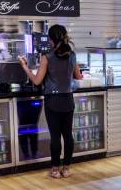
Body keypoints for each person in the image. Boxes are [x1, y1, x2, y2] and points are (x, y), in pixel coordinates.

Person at [18, 25, 83, 178]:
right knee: (68, 135)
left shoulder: (47, 56)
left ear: (51, 39)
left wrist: (25, 66)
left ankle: (55, 170)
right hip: (68, 99)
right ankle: (66, 169)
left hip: (52, 101)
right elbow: (78, 76)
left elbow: (36, 81)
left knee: (55, 136)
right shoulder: (72, 55)